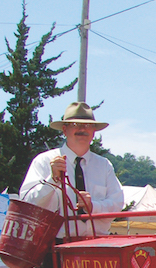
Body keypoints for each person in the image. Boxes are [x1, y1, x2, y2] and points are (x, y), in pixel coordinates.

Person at [19, 102, 125, 238]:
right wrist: (52, 180)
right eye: (76, 125)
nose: (82, 129)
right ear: (64, 130)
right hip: (53, 246)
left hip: (97, 246)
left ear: (94, 132)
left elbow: (117, 204)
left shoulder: (104, 165)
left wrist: (92, 206)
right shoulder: (44, 161)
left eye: (88, 125)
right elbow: (27, 204)